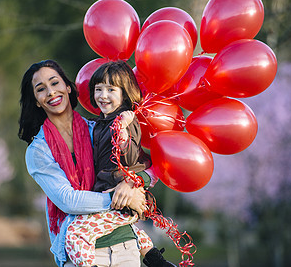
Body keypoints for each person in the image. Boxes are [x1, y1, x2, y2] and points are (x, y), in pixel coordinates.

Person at [19, 60, 147, 267]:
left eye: (55, 83)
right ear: (36, 100)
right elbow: (68, 200)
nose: (51, 92)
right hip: (79, 252)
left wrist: (133, 183)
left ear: (68, 87)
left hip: (123, 246)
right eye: (41, 89)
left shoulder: (97, 129)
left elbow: (141, 164)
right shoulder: (38, 151)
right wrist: (119, 197)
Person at [64, 61, 175, 267]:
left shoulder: (124, 120)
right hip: (111, 194)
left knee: (74, 233)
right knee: (130, 228)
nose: (103, 96)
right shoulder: (100, 124)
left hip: (117, 194)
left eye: (111, 90)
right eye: (98, 89)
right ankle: (156, 260)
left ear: (124, 93)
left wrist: (122, 132)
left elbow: (131, 156)